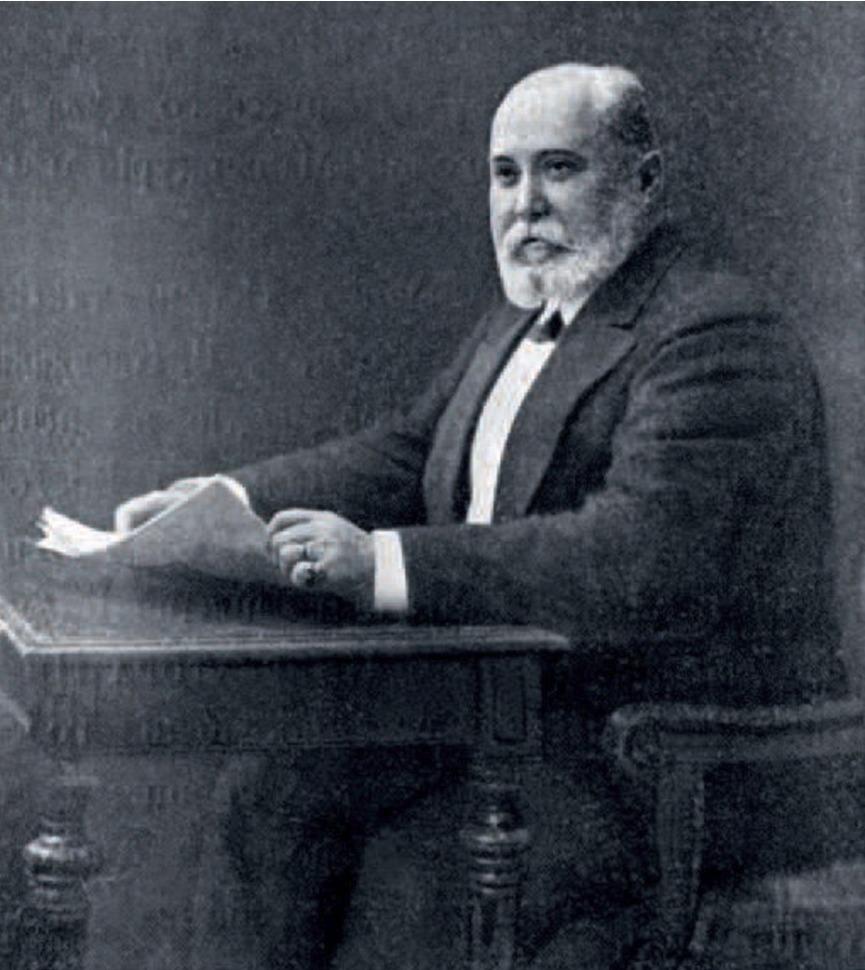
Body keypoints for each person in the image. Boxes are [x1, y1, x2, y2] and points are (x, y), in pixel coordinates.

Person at [116, 63, 845, 968]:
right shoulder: (526, 316)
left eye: (559, 169)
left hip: (670, 757)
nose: (524, 204)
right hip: (519, 720)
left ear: (644, 180)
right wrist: (223, 500)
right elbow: (409, 451)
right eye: (505, 174)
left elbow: (630, 559)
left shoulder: (716, 334)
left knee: (416, 881)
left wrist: (380, 564)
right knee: (273, 801)